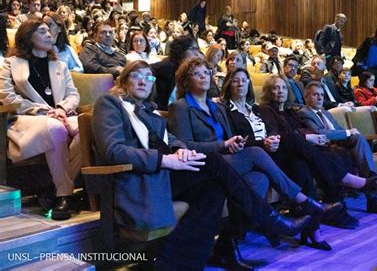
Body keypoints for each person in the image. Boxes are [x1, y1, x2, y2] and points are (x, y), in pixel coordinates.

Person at [91, 60, 312, 270]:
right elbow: (114, 151)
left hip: (164, 174)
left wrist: (181, 151)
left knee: (213, 188)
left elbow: (169, 139)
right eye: (136, 76)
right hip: (142, 178)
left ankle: (175, 265)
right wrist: (166, 160)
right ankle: (267, 218)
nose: (143, 81)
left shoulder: (149, 111)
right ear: (124, 81)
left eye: (149, 78)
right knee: (215, 163)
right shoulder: (110, 103)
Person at [167, 58, 336, 255]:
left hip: (228, 160)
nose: (204, 77)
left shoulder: (216, 107)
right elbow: (185, 145)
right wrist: (222, 145)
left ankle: (229, 244)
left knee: (259, 179)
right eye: (197, 73)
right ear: (187, 80)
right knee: (256, 153)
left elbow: (230, 137)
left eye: (206, 72)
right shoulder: (180, 107)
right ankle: (302, 202)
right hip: (205, 165)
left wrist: (235, 142)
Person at [258, 75, 377, 229]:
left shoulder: (290, 112)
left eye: (282, 87)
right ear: (268, 91)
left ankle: (334, 210)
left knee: (335, 155)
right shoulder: (265, 110)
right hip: (280, 154)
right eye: (275, 88)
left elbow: (302, 131)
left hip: (298, 154)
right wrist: (309, 137)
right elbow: (279, 133)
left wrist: (310, 137)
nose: (280, 91)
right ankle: (346, 182)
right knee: (309, 155)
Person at [0, 19, 81, 220]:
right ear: (28, 36)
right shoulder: (10, 64)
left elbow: (73, 95)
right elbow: (7, 97)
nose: (49, 35)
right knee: (55, 128)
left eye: (49, 31)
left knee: (87, 127)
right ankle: (64, 194)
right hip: (26, 120)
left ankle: (54, 188)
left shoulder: (60, 65)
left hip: (61, 115)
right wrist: (41, 110)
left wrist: (62, 108)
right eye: (42, 31)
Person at [297, 81, 377, 214]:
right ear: (306, 97)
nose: (320, 98)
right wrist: (348, 132)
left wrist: (349, 133)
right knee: (354, 141)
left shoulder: (326, 113)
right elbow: (321, 133)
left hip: (340, 145)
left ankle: (371, 181)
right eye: (316, 95)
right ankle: (373, 188)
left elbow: (339, 131)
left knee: (358, 138)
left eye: (321, 95)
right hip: (325, 148)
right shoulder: (304, 113)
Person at [151, 35, 202, 110]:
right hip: (163, 112)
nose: (197, 54)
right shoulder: (168, 65)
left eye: (198, 50)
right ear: (182, 50)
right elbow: (147, 70)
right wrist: (150, 98)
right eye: (193, 49)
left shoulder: (190, 68)